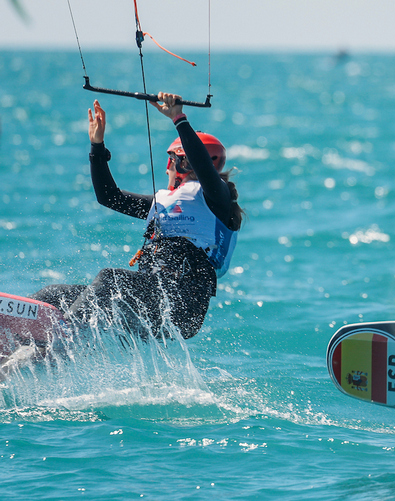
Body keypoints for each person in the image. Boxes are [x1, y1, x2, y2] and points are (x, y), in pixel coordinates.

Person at [31, 93, 243, 340]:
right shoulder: (163, 203)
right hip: (151, 301)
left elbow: (204, 169)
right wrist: (97, 146)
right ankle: (18, 344)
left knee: (109, 280)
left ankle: (60, 340)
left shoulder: (217, 198)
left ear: (185, 164)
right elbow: (109, 196)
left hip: (183, 306)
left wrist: (179, 118)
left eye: (172, 160)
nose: (167, 166)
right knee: (53, 296)